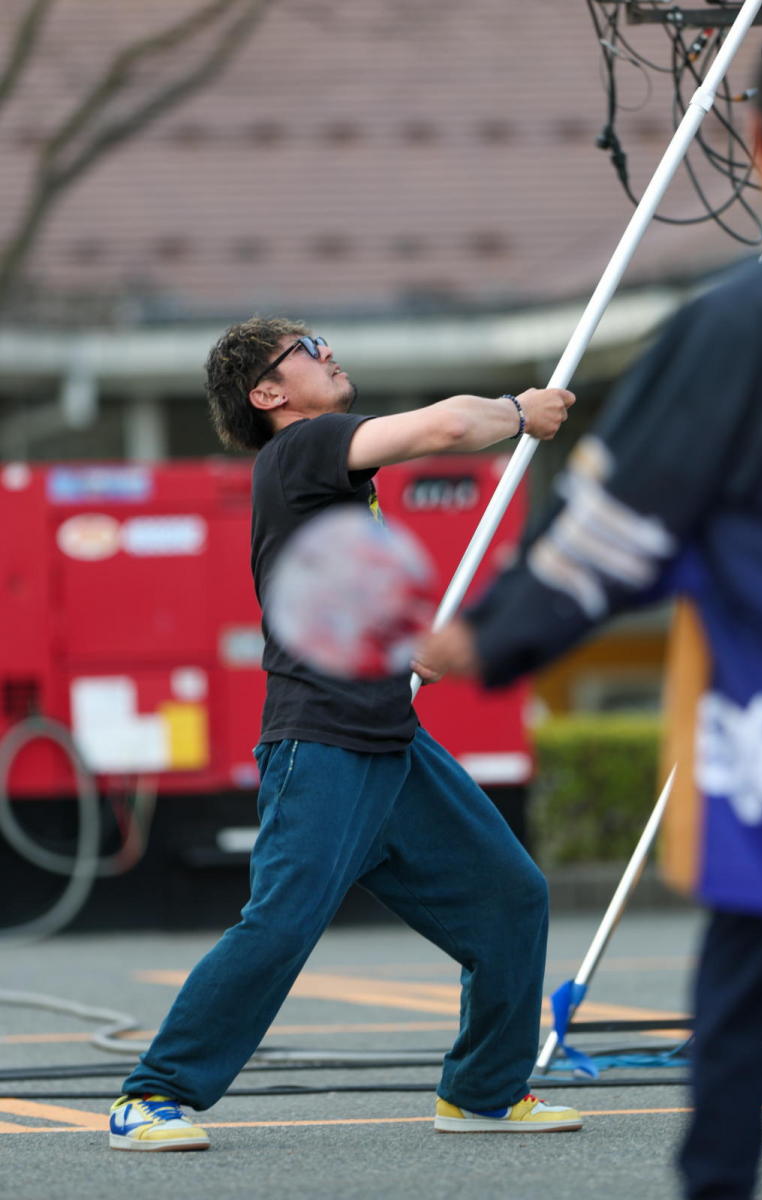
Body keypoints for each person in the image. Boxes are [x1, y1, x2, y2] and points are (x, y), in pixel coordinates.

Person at [423, 34, 762, 1200]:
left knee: (737, 1010)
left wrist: (487, 637)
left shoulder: (741, 323)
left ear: (757, 139)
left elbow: (620, 527)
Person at [107, 317, 581, 1149]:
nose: (327, 351)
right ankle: (152, 1093)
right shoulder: (303, 448)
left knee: (511, 899)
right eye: (307, 348)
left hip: (391, 740)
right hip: (321, 742)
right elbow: (445, 426)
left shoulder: (330, 486)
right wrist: (519, 410)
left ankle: (482, 1091)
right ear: (269, 394)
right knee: (283, 922)